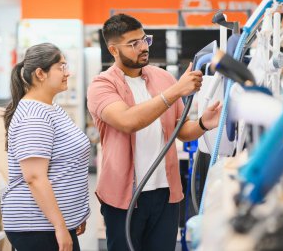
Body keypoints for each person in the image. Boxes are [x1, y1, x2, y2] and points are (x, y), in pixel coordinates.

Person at [87, 14, 222, 251]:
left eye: (144, 39)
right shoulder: (102, 85)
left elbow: (182, 131)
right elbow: (127, 121)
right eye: (133, 44)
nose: (143, 47)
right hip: (124, 197)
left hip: (165, 193)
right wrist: (176, 91)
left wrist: (203, 123)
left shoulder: (162, 77)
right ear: (113, 50)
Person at [1, 43, 90, 251]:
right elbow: (34, 177)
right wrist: (60, 225)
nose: (68, 73)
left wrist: (75, 215)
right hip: (38, 226)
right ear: (41, 73)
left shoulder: (50, 107)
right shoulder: (34, 116)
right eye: (61, 67)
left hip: (52, 224)